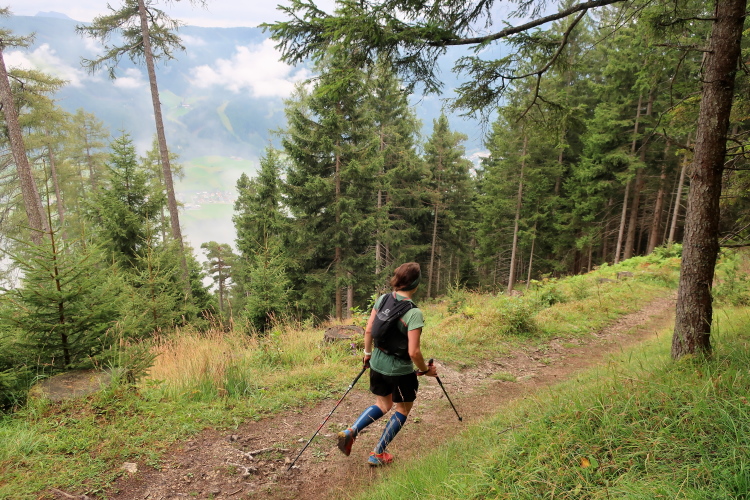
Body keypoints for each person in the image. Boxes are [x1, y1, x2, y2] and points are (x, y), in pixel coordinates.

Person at [337, 262, 438, 466]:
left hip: (376, 362)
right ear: (416, 284)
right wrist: (425, 370)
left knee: (383, 404)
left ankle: (351, 431)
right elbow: (414, 352)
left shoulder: (383, 299)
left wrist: (367, 354)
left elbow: (368, 330)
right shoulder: (414, 313)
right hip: (399, 371)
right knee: (403, 409)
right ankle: (378, 453)